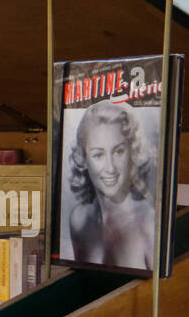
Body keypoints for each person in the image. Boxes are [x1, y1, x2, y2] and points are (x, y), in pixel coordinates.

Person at [62, 100, 157, 271]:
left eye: (118, 151)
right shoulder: (79, 219)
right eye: (98, 155)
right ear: (83, 158)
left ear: (132, 151)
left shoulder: (150, 223)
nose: (110, 168)